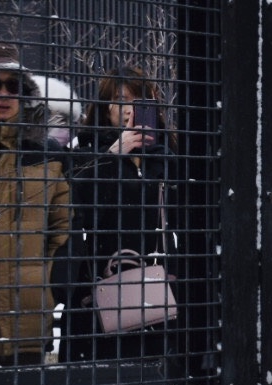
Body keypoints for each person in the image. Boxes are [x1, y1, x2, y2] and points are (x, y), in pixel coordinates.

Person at [62, 65, 179, 362]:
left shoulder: (170, 154)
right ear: (104, 106)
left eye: (137, 100)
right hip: (97, 288)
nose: (128, 109)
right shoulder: (86, 150)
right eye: (119, 99)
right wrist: (113, 154)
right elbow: (74, 199)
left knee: (154, 383)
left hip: (157, 287)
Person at [0, 44, 72, 371]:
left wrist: (40, 275)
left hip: (25, 311)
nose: (3, 93)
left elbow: (61, 229)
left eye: (13, 85)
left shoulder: (46, 153)